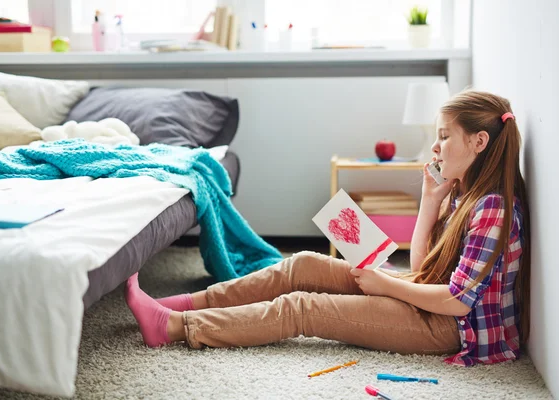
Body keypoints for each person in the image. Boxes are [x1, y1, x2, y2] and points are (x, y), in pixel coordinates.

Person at [125, 90, 530, 366]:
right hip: (432, 303)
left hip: (454, 329)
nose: (435, 146)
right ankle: (188, 303)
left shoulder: (493, 208)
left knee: (304, 307)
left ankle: (175, 327)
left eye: (444, 136)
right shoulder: (464, 195)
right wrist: (430, 203)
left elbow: (458, 302)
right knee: (300, 264)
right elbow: (426, 269)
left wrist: (386, 285)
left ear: (479, 142)